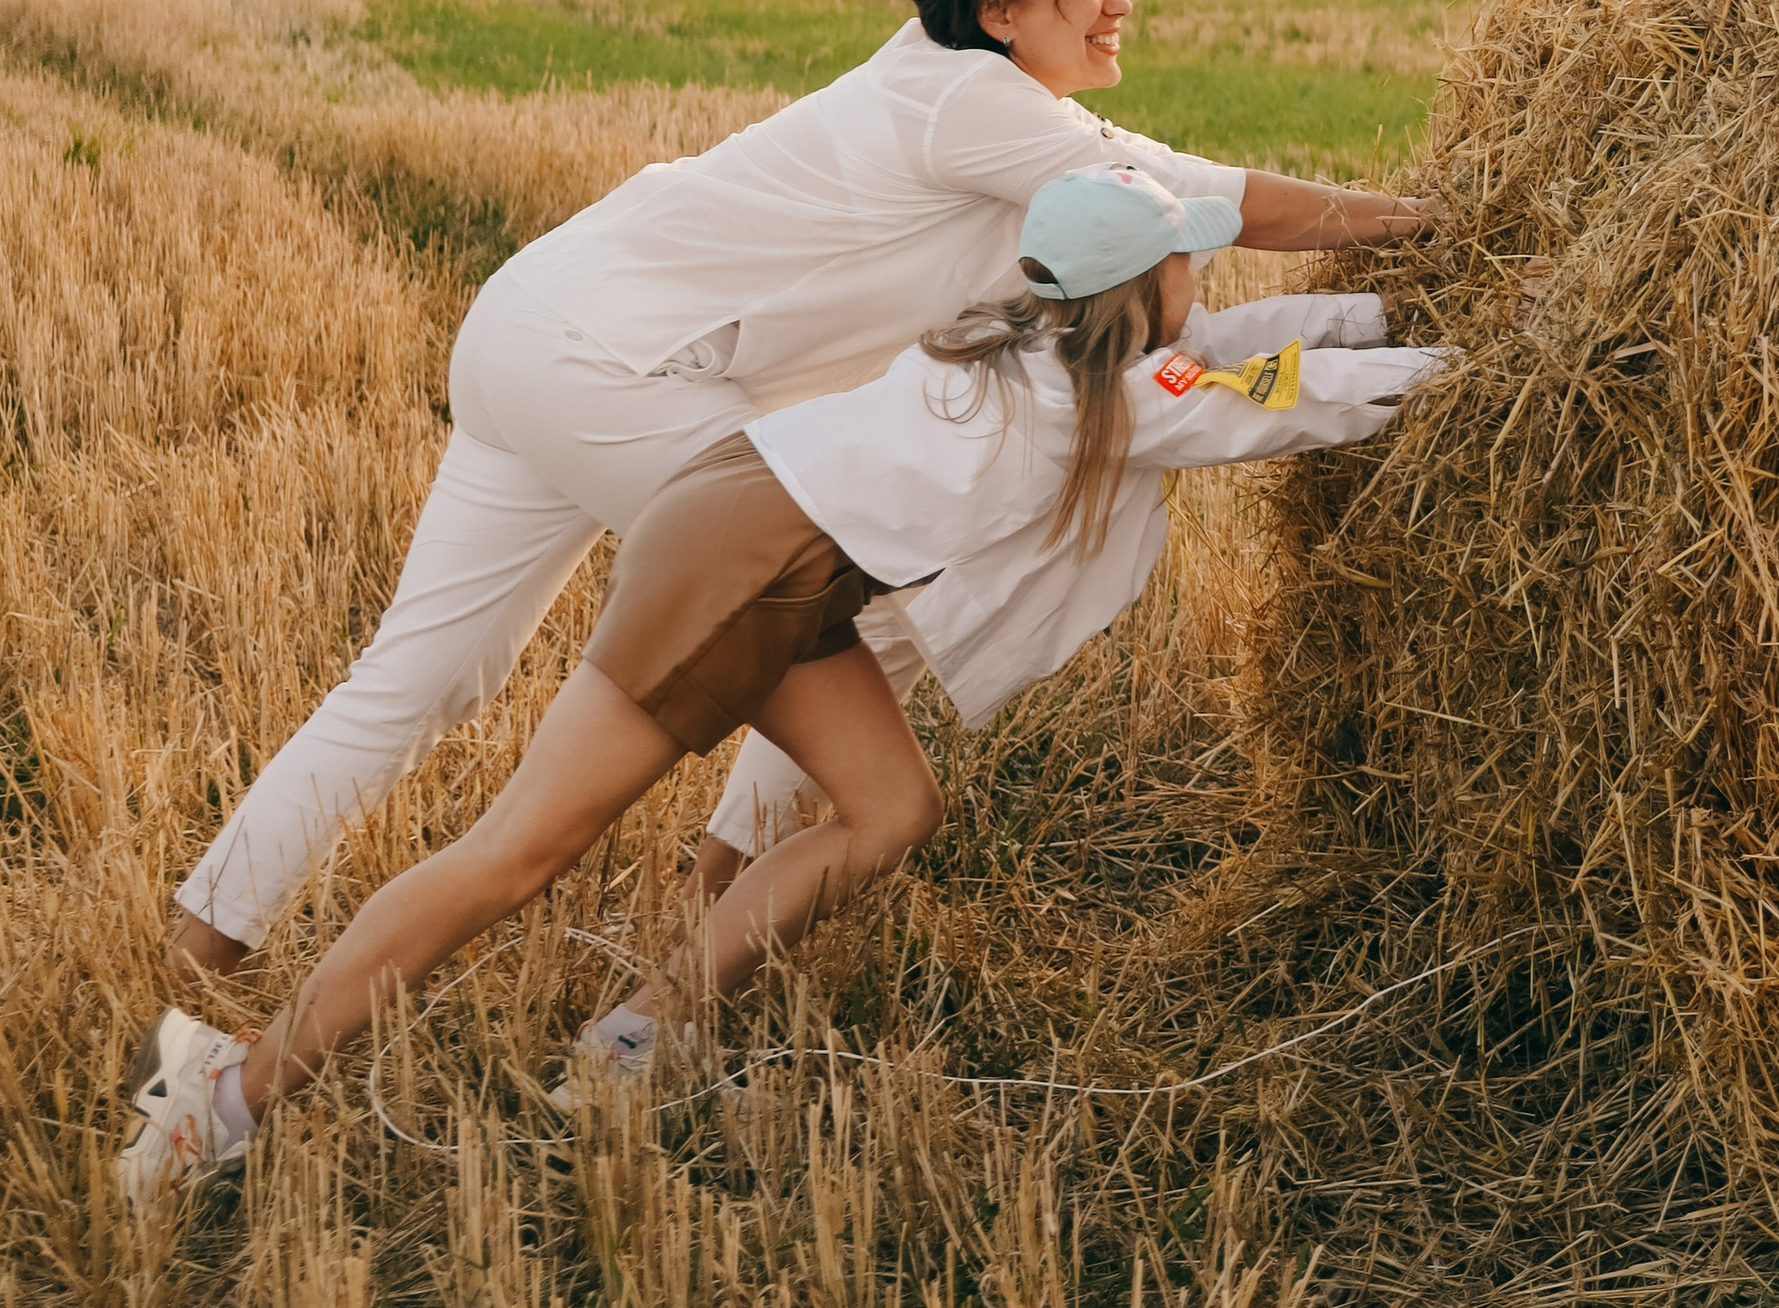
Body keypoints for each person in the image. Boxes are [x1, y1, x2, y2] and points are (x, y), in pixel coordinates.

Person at [166, 0, 1431, 978]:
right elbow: (1202, 203)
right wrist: (1438, 223)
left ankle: (200, 946)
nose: (1117, 2)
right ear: (1001, 13)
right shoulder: (981, 106)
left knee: (420, 674)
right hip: (625, 365)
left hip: (534, 323)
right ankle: (728, 898)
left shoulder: (946, 84)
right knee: (829, 589)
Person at [118, 163, 1455, 1194]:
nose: (1196, 286)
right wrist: (1466, 367)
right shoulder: (1091, 395)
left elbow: (1235, 356)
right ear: (1144, 283)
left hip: (777, 549)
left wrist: (1386, 305)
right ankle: (224, 1100)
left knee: (890, 812)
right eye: (1186, 265)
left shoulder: (1031, 337)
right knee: (516, 853)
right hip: (742, 566)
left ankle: (637, 1037)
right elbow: (1278, 399)